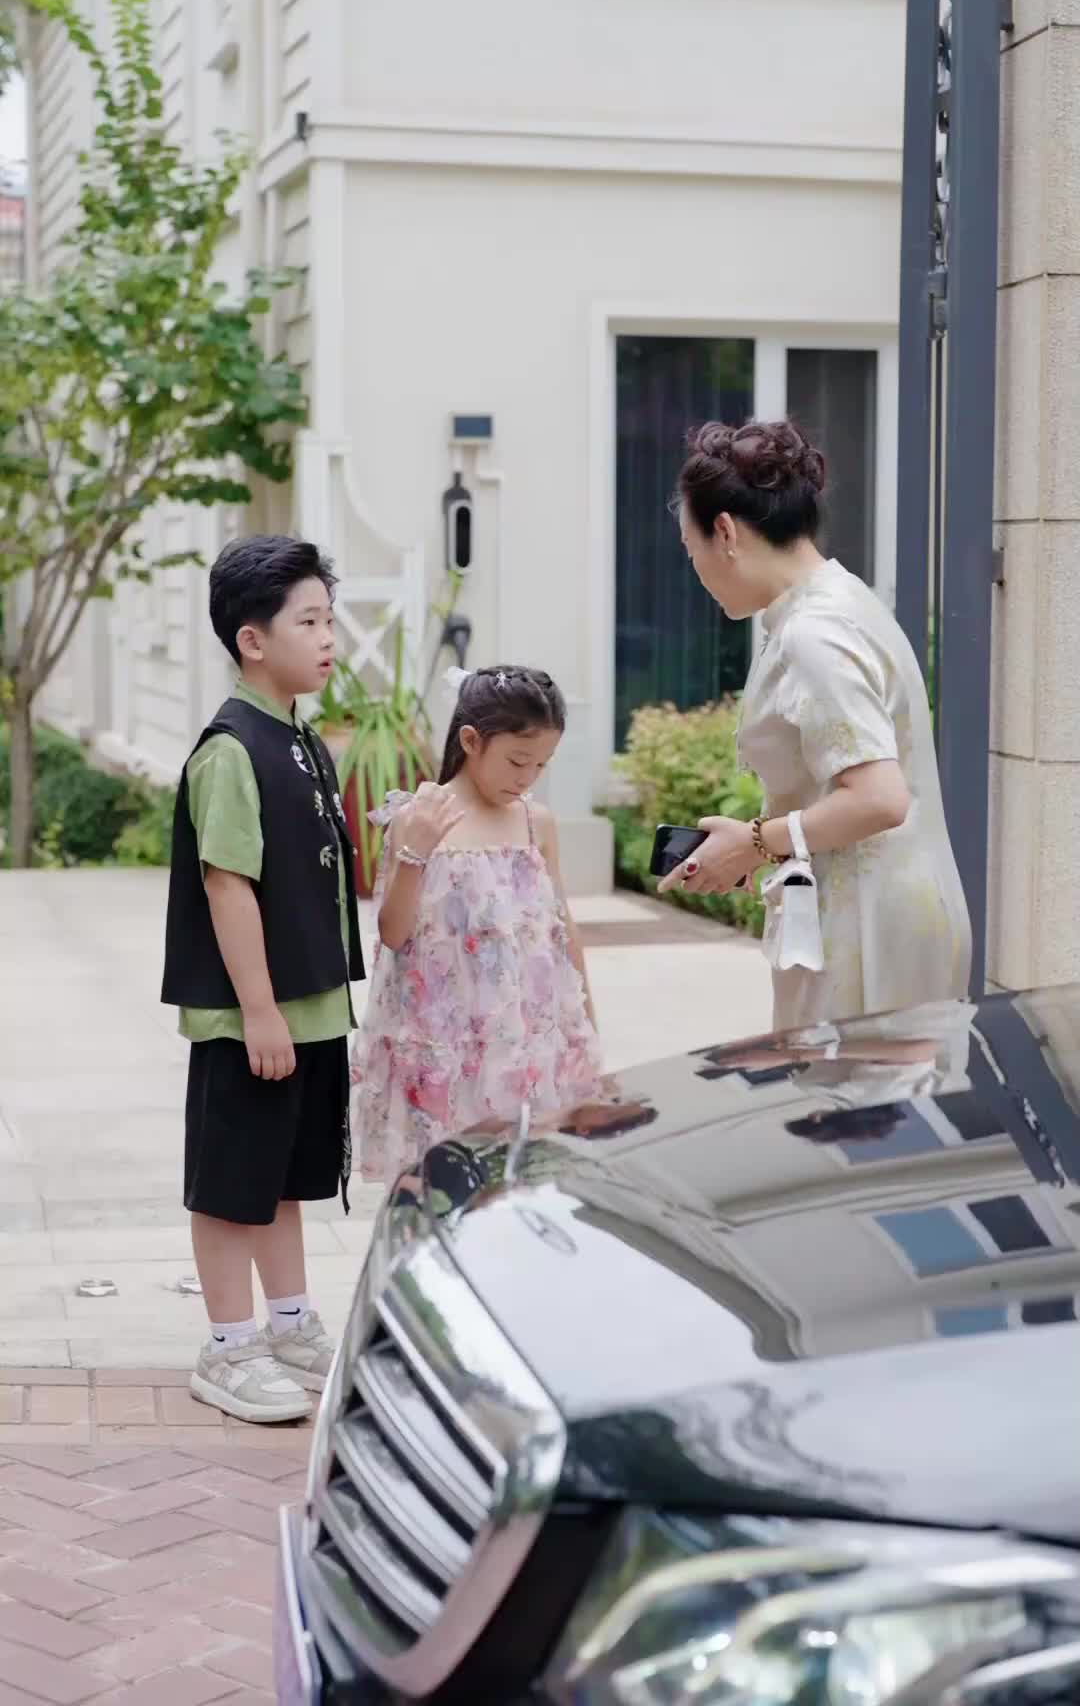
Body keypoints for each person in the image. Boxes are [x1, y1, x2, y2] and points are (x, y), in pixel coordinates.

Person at [660, 419, 971, 1029]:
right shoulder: (840, 600)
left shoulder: (814, 631)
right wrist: (760, 843)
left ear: (724, 532)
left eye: (690, 547)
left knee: (850, 1087)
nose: (694, 566)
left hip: (867, 926)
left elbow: (880, 799)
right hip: (878, 908)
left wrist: (754, 841)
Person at [161, 535, 365, 1424]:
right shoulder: (232, 748)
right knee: (233, 1183)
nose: (329, 639)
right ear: (253, 640)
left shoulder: (302, 740)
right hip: (253, 1017)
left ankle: (288, 1326)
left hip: (307, 1008)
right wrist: (258, 1011)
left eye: (329, 620)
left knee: (284, 1178)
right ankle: (229, 1345)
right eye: (309, 622)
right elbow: (226, 883)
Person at [350, 665, 604, 1185]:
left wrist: (587, 1028)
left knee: (523, 1183)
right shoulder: (421, 818)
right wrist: (415, 853)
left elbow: (562, 930)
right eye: (517, 761)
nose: (527, 777)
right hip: (443, 1047)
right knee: (443, 1186)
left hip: (523, 1043)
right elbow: (393, 935)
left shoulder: (536, 822)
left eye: (541, 765)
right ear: (470, 741)